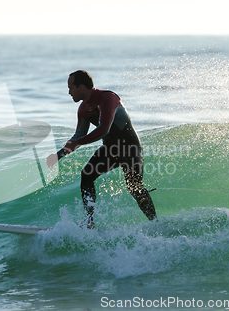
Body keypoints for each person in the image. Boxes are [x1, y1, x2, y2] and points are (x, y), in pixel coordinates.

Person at [46, 70, 157, 228]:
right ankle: (89, 222)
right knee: (86, 175)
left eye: (71, 88)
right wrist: (58, 155)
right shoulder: (83, 109)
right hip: (110, 150)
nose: (69, 92)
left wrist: (78, 142)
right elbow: (79, 135)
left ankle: (155, 223)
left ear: (82, 87)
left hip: (130, 148)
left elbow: (104, 129)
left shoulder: (107, 98)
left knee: (134, 187)